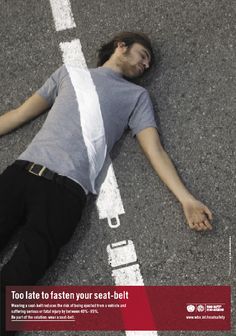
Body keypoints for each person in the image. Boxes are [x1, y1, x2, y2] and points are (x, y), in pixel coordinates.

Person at [0, 31, 213, 335]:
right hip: (20, 174)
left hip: (66, 194)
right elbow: (20, 113)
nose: (145, 65)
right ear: (120, 46)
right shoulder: (69, 74)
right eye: (143, 55)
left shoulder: (137, 97)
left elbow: (155, 150)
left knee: (18, 281)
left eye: (149, 63)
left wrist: (186, 199)